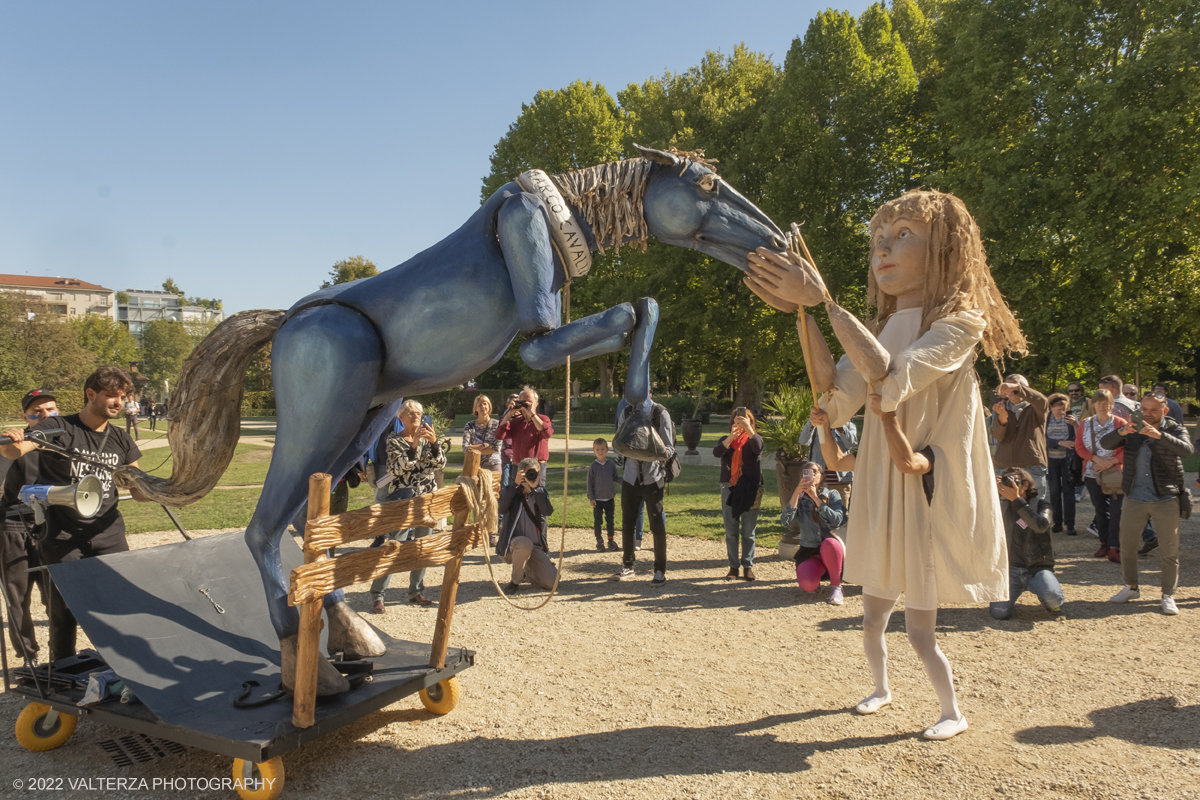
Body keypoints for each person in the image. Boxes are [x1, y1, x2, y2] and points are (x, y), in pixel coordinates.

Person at [746, 188, 1027, 740]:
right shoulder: (878, 327)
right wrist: (803, 313)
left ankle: (952, 711)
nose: (884, 250)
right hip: (882, 479)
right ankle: (881, 688)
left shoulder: (959, 322)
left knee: (921, 634)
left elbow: (894, 377)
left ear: (945, 250)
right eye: (879, 239)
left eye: (903, 237)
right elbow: (837, 390)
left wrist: (825, 301)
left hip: (920, 477)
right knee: (872, 617)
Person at [0, 367, 150, 661]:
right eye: (110, 396)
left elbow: (139, 492)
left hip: (108, 534)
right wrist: (14, 442)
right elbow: (18, 451)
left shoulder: (121, 439)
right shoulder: (58, 427)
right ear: (90, 394)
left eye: (122, 397)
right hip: (62, 537)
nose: (118, 402)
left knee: (120, 603)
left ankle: (121, 668)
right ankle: (63, 672)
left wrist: (161, 488)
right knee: (64, 612)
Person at [1103, 393, 1194, 615]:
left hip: (1165, 498)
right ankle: (1131, 587)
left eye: (1153, 409)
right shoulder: (1131, 428)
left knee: (1169, 552)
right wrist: (1121, 432)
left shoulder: (1174, 428)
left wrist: (1160, 436)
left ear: (1166, 410)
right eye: (1144, 409)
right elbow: (1105, 443)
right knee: (1127, 547)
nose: (1147, 413)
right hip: (1134, 497)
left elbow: (1187, 451)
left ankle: (1168, 595)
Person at [368, 400, 445, 612]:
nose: (416, 416)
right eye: (411, 413)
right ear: (401, 417)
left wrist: (435, 443)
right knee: (394, 546)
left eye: (419, 412)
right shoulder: (394, 440)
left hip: (426, 500)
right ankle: (378, 594)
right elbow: (399, 468)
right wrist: (413, 446)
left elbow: (440, 464)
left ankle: (416, 591)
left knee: (422, 546)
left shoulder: (428, 439)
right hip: (404, 499)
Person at [0, 390, 59, 664]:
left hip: (50, 526)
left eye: (51, 409)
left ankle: (62, 656)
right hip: (14, 526)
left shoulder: (64, 442)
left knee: (55, 597)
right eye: (37, 412)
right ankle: (28, 658)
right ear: (26, 417)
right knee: (18, 599)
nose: (45, 415)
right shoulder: (13, 443)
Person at [612, 399, 675, 584]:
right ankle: (628, 566)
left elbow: (670, 448)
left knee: (657, 525)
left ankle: (660, 570)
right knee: (628, 523)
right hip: (630, 477)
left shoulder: (659, 413)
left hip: (653, 477)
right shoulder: (626, 412)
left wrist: (652, 452)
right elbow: (619, 444)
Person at [989, 467, 1063, 619]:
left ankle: (1048, 598)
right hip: (1010, 570)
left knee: (1054, 599)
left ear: (1025, 485)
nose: (1009, 485)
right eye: (1005, 480)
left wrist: (1017, 501)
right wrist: (990, 489)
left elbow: (1041, 526)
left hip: (1037, 568)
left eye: (1013, 481)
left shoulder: (1042, 504)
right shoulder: (998, 505)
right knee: (999, 613)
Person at [782, 460, 847, 603]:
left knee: (830, 543)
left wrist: (815, 498)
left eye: (815, 472)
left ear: (821, 476)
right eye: (807, 472)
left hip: (831, 549)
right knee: (808, 585)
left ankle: (836, 587)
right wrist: (796, 494)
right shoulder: (799, 498)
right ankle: (815, 580)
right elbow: (785, 521)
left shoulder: (831, 495)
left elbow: (837, 520)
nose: (811, 475)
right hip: (810, 551)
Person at [712, 409, 764, 580]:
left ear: (751, 422)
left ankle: (748, 566)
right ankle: (733, 567)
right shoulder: (726, 441)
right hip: (729, 486)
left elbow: (757, 448)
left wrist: (749, 429)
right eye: (737, 420)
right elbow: (717, 452)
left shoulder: (754, 439)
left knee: (749, 531)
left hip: (750, 488)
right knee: (731, 530)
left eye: (745, 420)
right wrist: (731, 438)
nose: (741, 423)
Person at [1075, 389, 1124, 559]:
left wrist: (1110, 461)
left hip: (1115, 473)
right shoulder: (1085, 423)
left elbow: (1129, 449)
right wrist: (1095, 459)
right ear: (1094, 404)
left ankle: (1115, 546)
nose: (1102, 406)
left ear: (1112, 404)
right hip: (1092, 472)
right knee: (1100, 510)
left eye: (1106, 403)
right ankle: (1104, 543)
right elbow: (1079, 447)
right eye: (1099, 403)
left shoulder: (1120, 423)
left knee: (1116, 511)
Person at [495, 458, 557, 592]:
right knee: (524, 543)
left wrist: (535, 488)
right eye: (528, 473)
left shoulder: (539, 493)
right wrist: (515, 485)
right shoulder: (511, 492)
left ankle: (528, 571)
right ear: (519, 473)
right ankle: (515, 581)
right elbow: (501, 508)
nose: (531, 476)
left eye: (534, 473)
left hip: (534, 548)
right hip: (511, 546)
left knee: (552, 583)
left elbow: (547, 511)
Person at [991, 375, 1049, 499]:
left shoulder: (1036, 408)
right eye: (1007, 389)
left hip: (1032, 467)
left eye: (1015, 388)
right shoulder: (1001, 408)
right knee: (1005, 512)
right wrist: (1002, 419)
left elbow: (1041, 399)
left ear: (1026, 388)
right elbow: (997, 436)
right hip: (1004, 468)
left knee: (1033, 511)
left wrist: (1016, 387)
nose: (1011, 392)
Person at [462, 394, 501, 544]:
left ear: (489, 406)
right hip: (475, 466)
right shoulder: (470, 425)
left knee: (491, 499)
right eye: (480, 404)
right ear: (475, 408)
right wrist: (484, 446)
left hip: (493, 465)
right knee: (476, 499)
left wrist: (477, 447)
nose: (483, 407)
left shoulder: (496, 424)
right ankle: (478, 530)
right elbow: (466, 448)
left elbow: (496, 448)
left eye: (485, 404)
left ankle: (492, 532)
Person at [494, 387, 553, 487]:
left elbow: (547, 433)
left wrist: (532, 414)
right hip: (518, 466)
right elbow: (499, 435)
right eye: (523, 402)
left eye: (529, 402)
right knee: (516, 497)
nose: (526, 405)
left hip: (537, 466)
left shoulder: (543, 419)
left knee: (538, 496)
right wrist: (508, 415)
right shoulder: (516, 422)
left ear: (536, 403)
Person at [1044, 393, 1078, 535]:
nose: (1062, 411)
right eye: (1059, 408)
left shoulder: (1070, 419)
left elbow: (1079, 436)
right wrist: (1059, 443)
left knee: (1069, 492)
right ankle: (1057, 523)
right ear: (1051, 407)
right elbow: (1041, 439)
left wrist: (1076, 425)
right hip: (1051, 460)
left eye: (1064, 408)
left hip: (1067, 460)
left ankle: (1070, 525)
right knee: (1054, 492)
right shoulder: (1045, 419)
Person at [587, 438, 619, 552]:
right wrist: (591, 497)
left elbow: (615, 477)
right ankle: (599, 542)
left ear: (607, 450)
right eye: (597, 449)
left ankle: (611, 540)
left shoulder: (610, 465)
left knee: (610, 520)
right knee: (598, 521)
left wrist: (626, 482)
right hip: (598, 500)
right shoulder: (593, 466)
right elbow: (590, 483)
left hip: (610, 498)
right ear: (594, 451)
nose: (600, 451)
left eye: (602, 449)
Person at [1065, 382, 1091, 501]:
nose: (1073, 393)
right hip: (1070, 437)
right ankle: (1077, 488)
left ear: (1081, 391)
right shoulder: (1066, 404)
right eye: (1071, 391)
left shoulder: (1090, 403)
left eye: (1076, 390)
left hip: (1087, 436)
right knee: (1074, 465)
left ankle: (1081, 488)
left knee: (1081, 464)